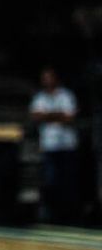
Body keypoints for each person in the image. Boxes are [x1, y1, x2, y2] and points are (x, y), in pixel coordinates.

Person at [29, 67, 82, 224]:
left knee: (68, 181)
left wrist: (47, 116)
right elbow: (36, 117)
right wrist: (58, 115)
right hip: (49, 144)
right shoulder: (39, 97)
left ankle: (70, 216)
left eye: (49, 77)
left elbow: (70, 118)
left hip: (67, 144)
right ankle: (51, 214)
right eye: (44, 78)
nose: (47, 81)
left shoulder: (66, 95)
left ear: (56, 78)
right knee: (50, 181)